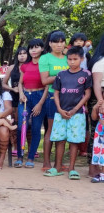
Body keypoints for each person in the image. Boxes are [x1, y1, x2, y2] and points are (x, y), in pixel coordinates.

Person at [44, 46, 92, 179]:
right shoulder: (61, 74)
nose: (72, 62)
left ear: (81, 59)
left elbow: (87, 94)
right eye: (69, 59)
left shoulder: (86, 74)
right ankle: (57, 167)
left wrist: (75, 109)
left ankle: (72, 169)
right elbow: (56, 93)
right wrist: (59, 109)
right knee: (59, 140)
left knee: (74, 141)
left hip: (77, 114)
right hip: (61, 113)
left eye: (75, 59)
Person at [16, 38, 48, 168]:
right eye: (31, 48)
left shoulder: (45, 64)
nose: (33, 50)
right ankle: (19, 157)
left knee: (35, 129)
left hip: (40, 97)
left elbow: (47, 86)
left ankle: (30, 158)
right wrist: (21, 94)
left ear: (42, 49)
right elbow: (20, 83)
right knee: (20, 127)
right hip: (25, 98)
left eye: (37, 47)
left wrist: (40, 103)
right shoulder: (25, 65)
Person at [39, 31, 68, 171]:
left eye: (62, 41)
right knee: (50, 130)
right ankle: (46, 163)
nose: (59, 44)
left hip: (68, 99)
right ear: (50, 43)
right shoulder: (45, 59)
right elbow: (44, 80)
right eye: (56, 41)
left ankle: (59, 163)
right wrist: (62, 74)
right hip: (51, 97)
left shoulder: (68, 58)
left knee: (62, 131)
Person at [3, 47, 27, 156]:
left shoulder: (32, 67)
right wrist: (12, 89)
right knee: (15, 122)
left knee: (28, 123)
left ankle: (30, 148)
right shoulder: (11, 68)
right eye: (19, 54)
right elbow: (3, 83)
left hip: (28, 96)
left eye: (24, 53)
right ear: (16, 56)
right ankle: (16, 147)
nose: (22, 56)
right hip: (14, 97)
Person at [89, 34, 104, 180]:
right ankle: (94, 168)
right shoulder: (100, 63)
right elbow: (97, 85)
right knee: (97, 136)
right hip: (100, 100)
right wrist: (101, 102)